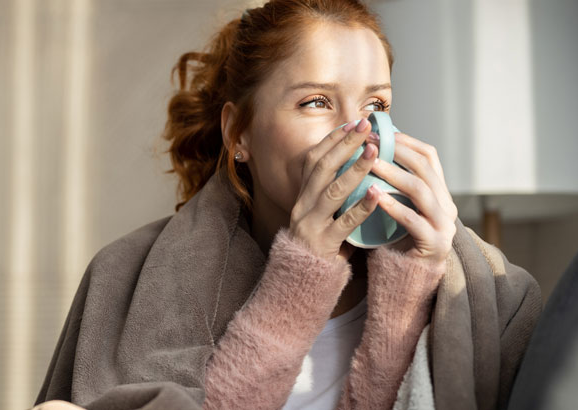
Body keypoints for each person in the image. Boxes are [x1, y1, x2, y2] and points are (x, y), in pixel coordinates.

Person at [35, 1, 542, 409]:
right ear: (239, 133)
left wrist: (419, 276)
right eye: (315, 102)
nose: (358, 131)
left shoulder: (489, 288)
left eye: (376, 106)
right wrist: (301, 271)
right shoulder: (126, 274)